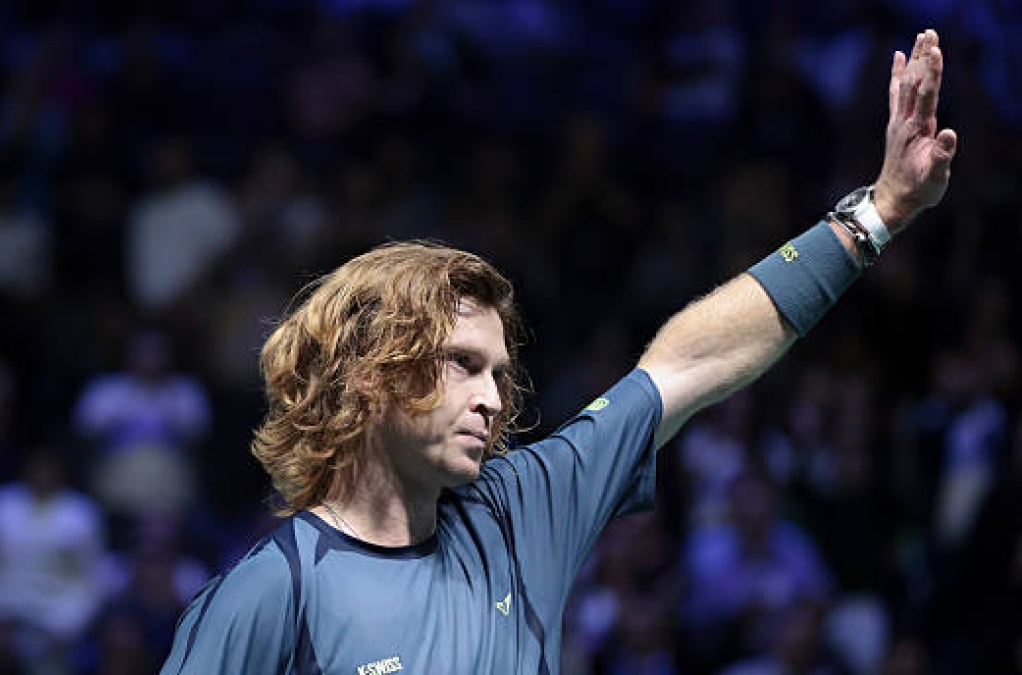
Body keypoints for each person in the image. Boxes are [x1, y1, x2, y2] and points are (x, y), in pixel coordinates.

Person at [162, 30, 958, 674]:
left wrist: (877, 213)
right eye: (461, 364)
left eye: (500, 373)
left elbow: (685, 365)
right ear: (370, 374)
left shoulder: (524, 507)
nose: (493, 397)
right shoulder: (268, 595)